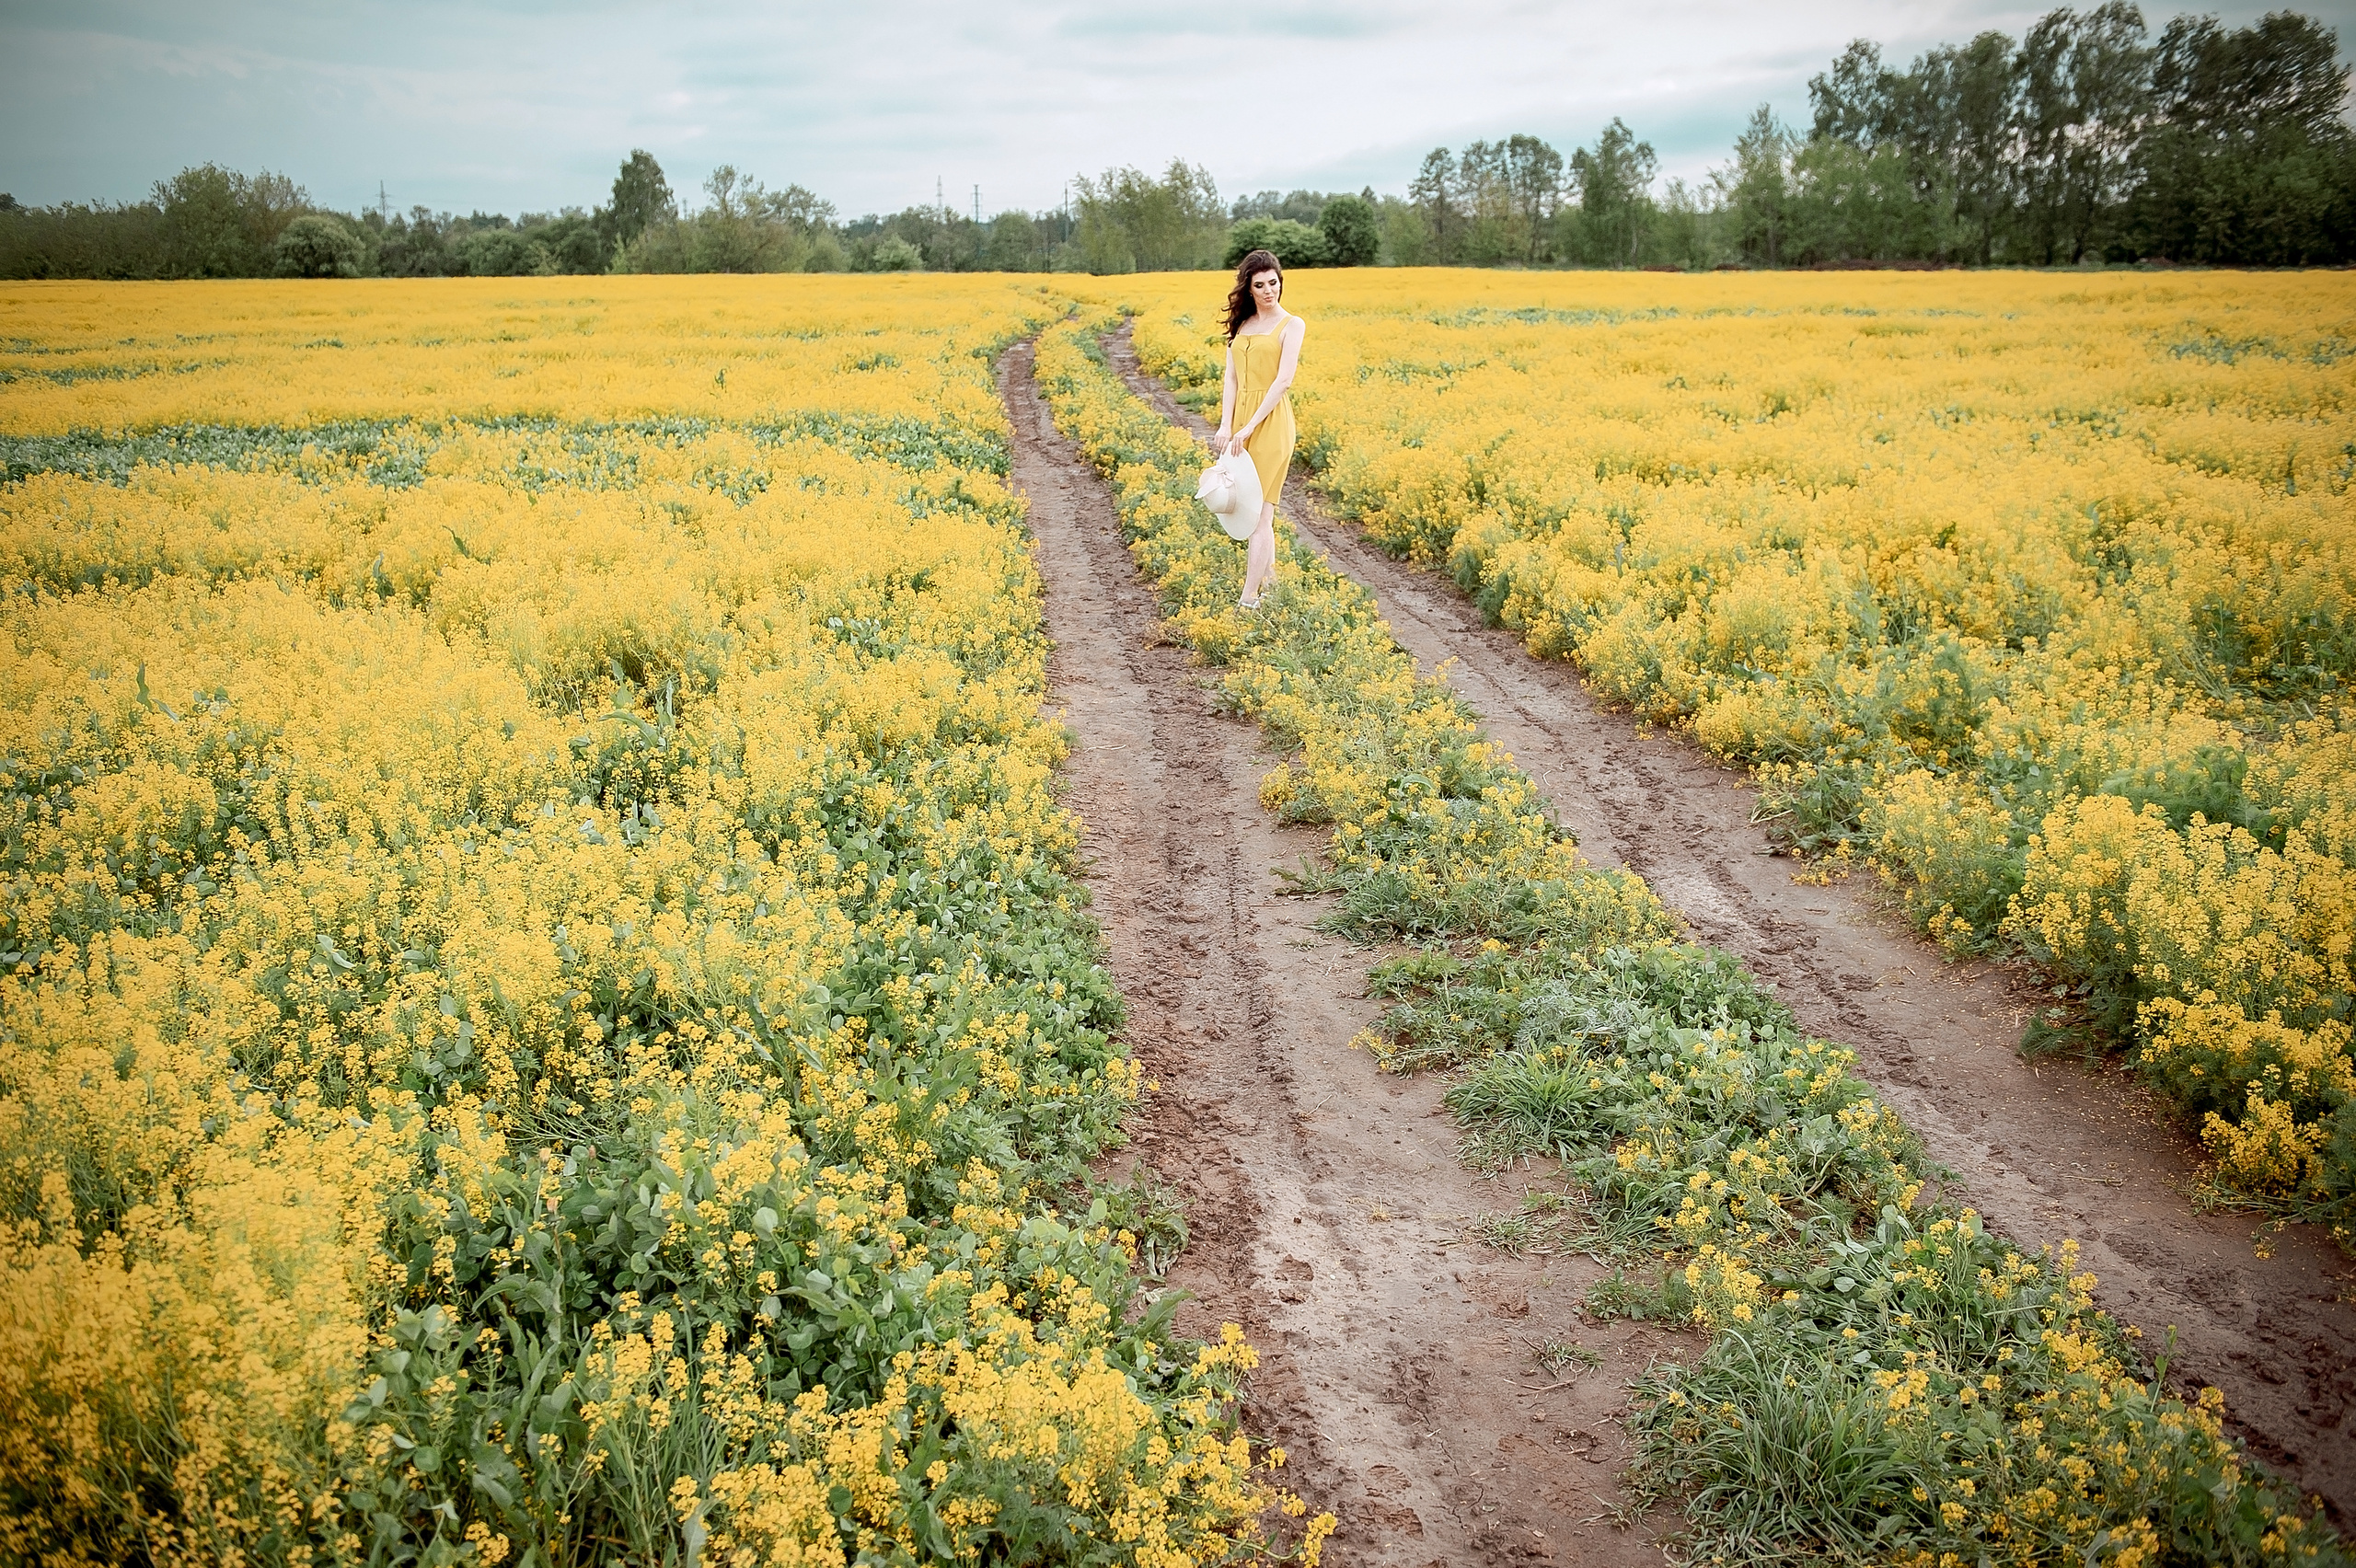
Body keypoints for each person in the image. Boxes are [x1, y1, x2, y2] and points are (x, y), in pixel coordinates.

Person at [1213, 248, 1305, 609]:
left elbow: (1283, 381)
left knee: (1259, 514)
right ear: (1248, 289)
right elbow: (1231, 378)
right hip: (1240, 425)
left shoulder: (1291, 324)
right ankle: (1273, 586)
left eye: (1274, 283)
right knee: (1250, 509)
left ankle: (1248, 600)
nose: (1269, 291)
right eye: (1260, 285)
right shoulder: (1243, 325)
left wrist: (1249, 426)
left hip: (1271, 423)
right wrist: (1226, 424)